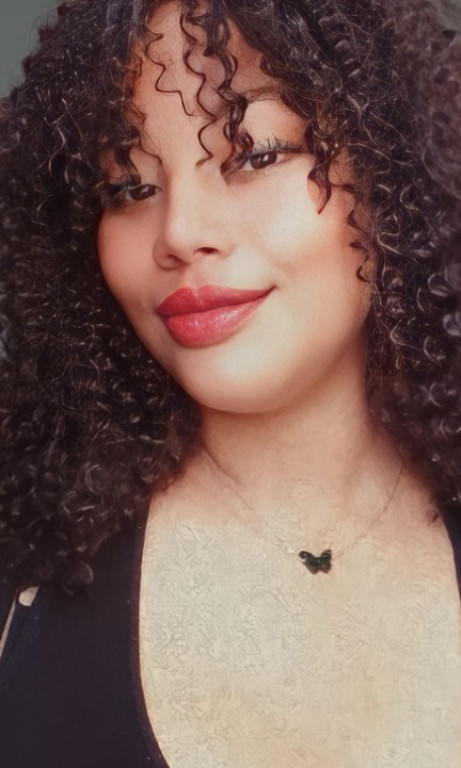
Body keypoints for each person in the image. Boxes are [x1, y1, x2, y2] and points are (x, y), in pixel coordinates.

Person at [1, 0, 461, 765]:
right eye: (128, 187)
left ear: (393, 165)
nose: (181, 233)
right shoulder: (22, 571)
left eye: (253, 153)